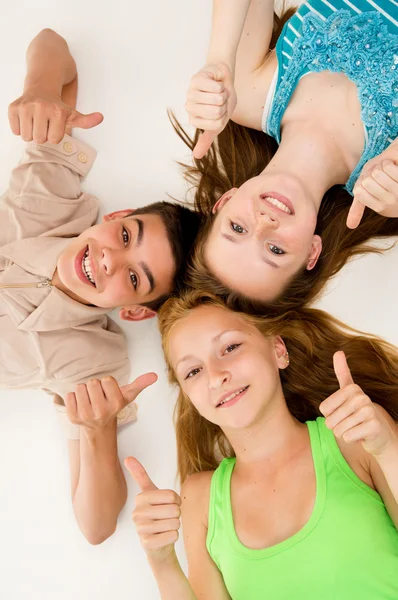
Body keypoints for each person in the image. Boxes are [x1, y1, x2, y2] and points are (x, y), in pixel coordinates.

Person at [1, 29, 201, 544]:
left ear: (134, 312)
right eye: (125, 235)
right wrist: (42, 87)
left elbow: (96, 524)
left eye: (134, 278)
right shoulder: (50, 197)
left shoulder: (94, 363)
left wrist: (96, 431)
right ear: (114, 217)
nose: (110, 259)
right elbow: (51, 43)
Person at [125, 290, 398, 599]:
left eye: (230, 347)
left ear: (277, 349)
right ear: (189, 396)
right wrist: (162, 562)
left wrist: (388, 449)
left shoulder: (355, 438)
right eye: (194, 371)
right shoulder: (200, 499)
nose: (216, 376)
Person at [174, 0, 398, 313]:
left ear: (225, 201)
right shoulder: (388, 187)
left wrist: (220, 59)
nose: (264, 223)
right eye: (275, 249)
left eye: (237, 228)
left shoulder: (248, 96)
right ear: (311, 252)